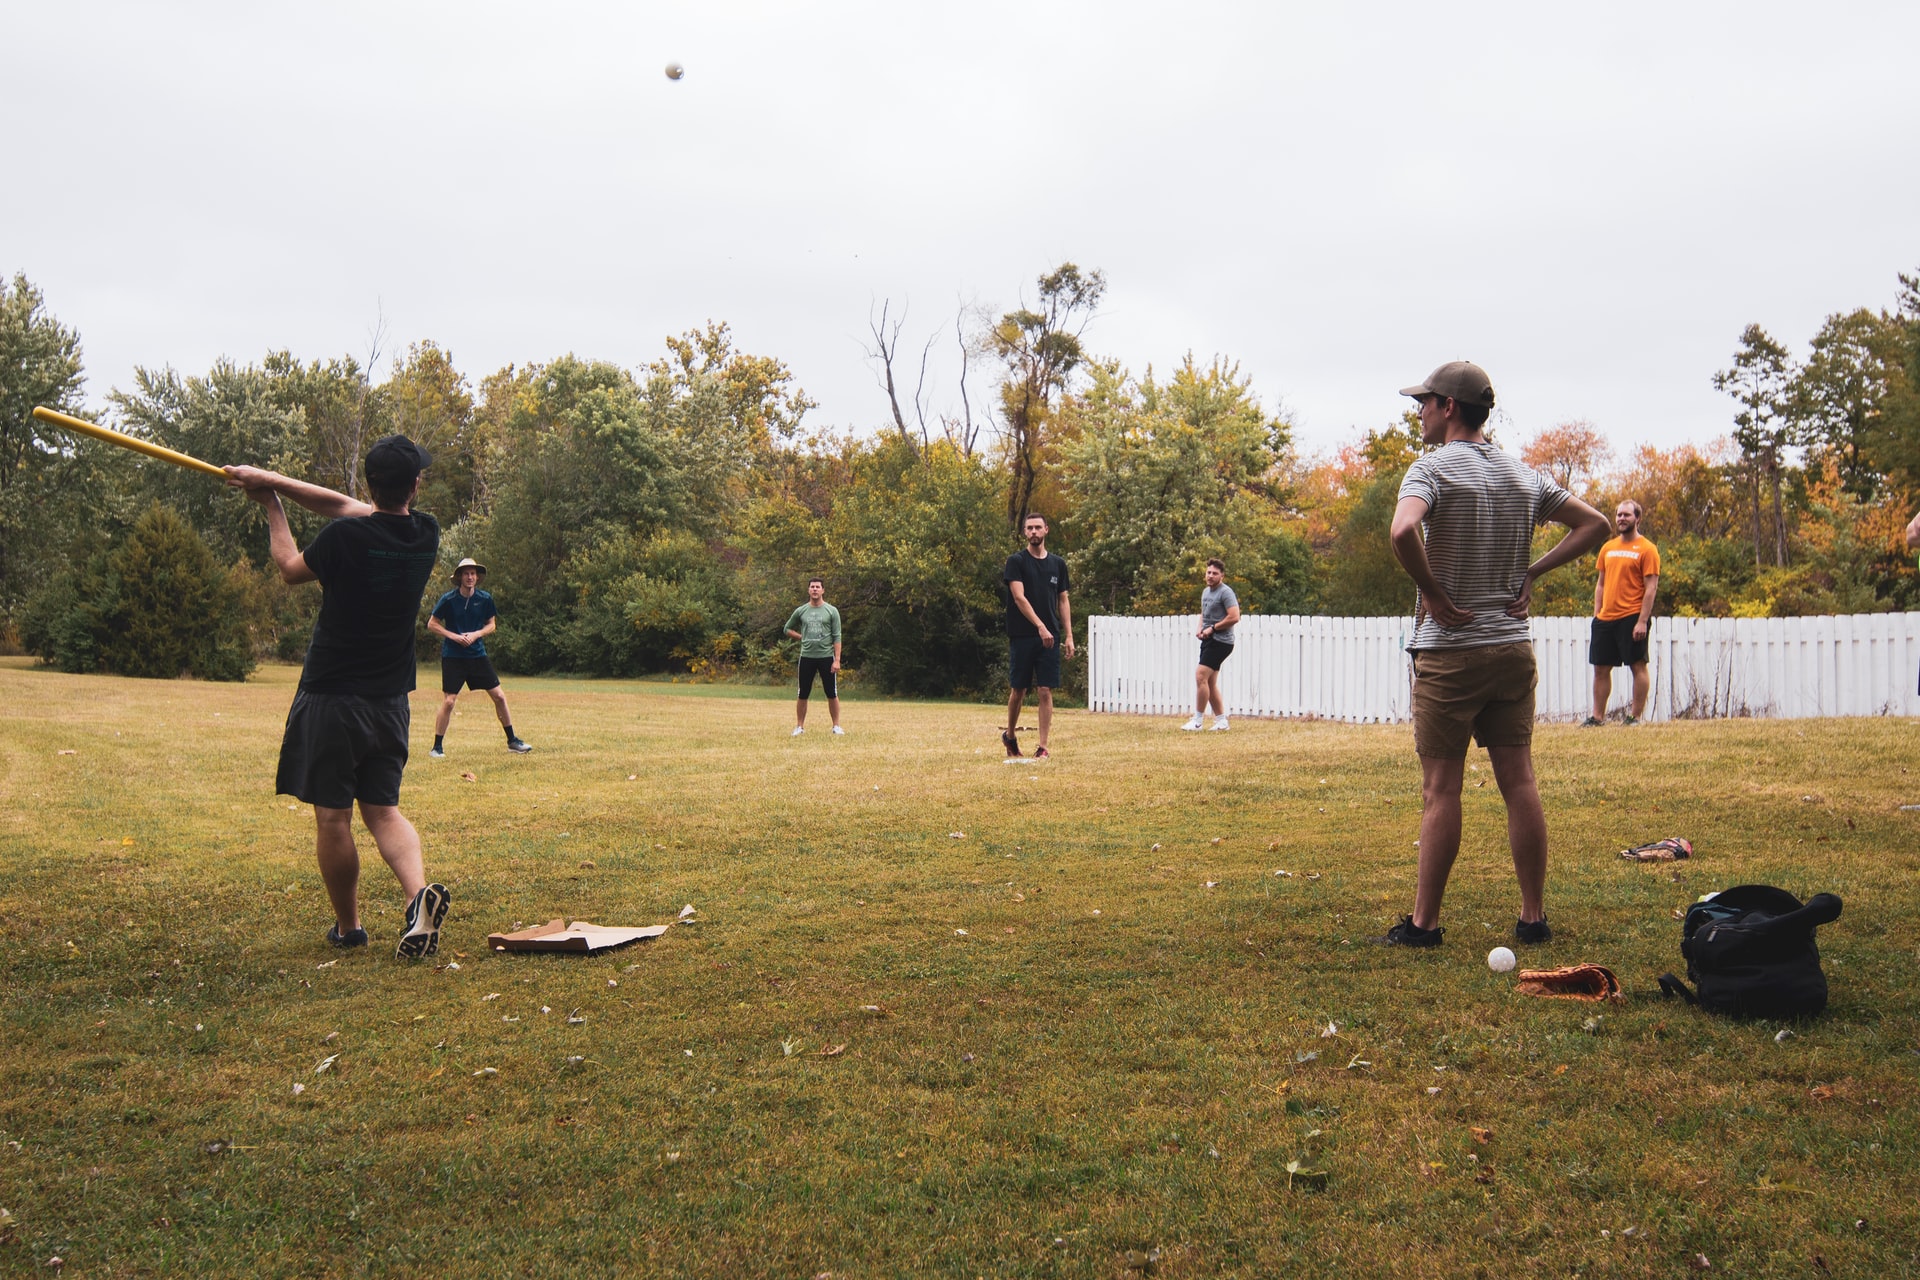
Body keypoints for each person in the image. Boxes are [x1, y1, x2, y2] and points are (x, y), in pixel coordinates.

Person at [1379, 361, 1608, 949]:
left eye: (1424, 402)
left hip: (1450, 655)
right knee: (1519, 782)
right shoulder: (1522, 474)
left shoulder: (1429, 470)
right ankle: (1533, 917)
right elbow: (1595, 524)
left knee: (1442, 790)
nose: (1419, 411)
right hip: (1510, 649)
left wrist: (1432, 591)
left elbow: (1404, 531)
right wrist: (1533, 570)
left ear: (1449, 407)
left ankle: (1424, 926)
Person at [224, 437, 451, 960]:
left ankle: (349, 928)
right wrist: (272, 477)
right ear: (414, 486)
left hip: (332, 697)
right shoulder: (425, 533)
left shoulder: (343, 539)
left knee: (334, 817)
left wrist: (272, 505)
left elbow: (288, 567)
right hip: (391, 700)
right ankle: (418, 898)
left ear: (371, 483)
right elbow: (348, 507)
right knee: (384, 812)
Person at [427, 558, 531, 757]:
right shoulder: (448, 600)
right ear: (459, 577)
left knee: (499, 696)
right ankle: (437, 747)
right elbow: (432, 624)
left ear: (477, 577)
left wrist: (475, 635)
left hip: (477, 656)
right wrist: (455, 637)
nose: (470, 577)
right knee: (449, 701)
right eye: (466, 573)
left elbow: (491, 625)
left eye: (473, 573)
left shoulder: (485, 599)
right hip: (453, 656)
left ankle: (512, 741)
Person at [1002, 514, 1073, 759]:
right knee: (1018, 690)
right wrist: (1039, 626)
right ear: (1024, 532)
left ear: (1046, 530)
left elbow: (1063, 600)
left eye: (1038, 528)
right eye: (1029, 528)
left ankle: (1043, 746)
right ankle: (1010, 736)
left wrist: (1069, 635)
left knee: (1045, 690)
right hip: (1023, 635)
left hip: (1050, 637)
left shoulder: (1058, 564)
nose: (1034, 532)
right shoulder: (1016, 562)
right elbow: (1019, 598)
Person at [1584, 501, 1661, 726]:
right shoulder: (1607, 548)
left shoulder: (1647, 549)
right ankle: (1597, 717)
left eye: (1626, 515)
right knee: (1600, 669)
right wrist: (1597, 614)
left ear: (1638, 519)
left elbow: (1651, 588)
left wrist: (1642, 622)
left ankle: (1634, 717)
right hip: (1606, 618)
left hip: (1632, 616)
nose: (1621, 519)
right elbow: (1601, 584)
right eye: (1618, 515)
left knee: (1637, 665)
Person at [1182, 558, 1241, 731]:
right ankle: (1222, 721)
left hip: (1222, 642)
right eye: (1209, 572)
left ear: (1222, 575)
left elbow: (1234, 617)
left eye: (1215, 573)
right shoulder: (1206, 592)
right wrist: (1200, 628)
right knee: (1209, 681)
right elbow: (1204, 613)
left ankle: (1198, 721)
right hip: (1209, 640)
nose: (1211, 576)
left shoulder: (1226, 593)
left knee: (1200, 676)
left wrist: (1213, 629)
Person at [784, 576, 844, 735]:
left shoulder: (832, 611)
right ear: (808, 590)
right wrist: (800, 637)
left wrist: (837, 660)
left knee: (831, 692)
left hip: (826, 657)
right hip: (807, 657)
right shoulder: (801, 611)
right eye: (812, 587)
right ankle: (799, 727)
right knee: (803, 693)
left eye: (818, 587)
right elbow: (787, 629)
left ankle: (836, 726)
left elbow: (837, 636)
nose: (815, 589)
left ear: (823, 590)